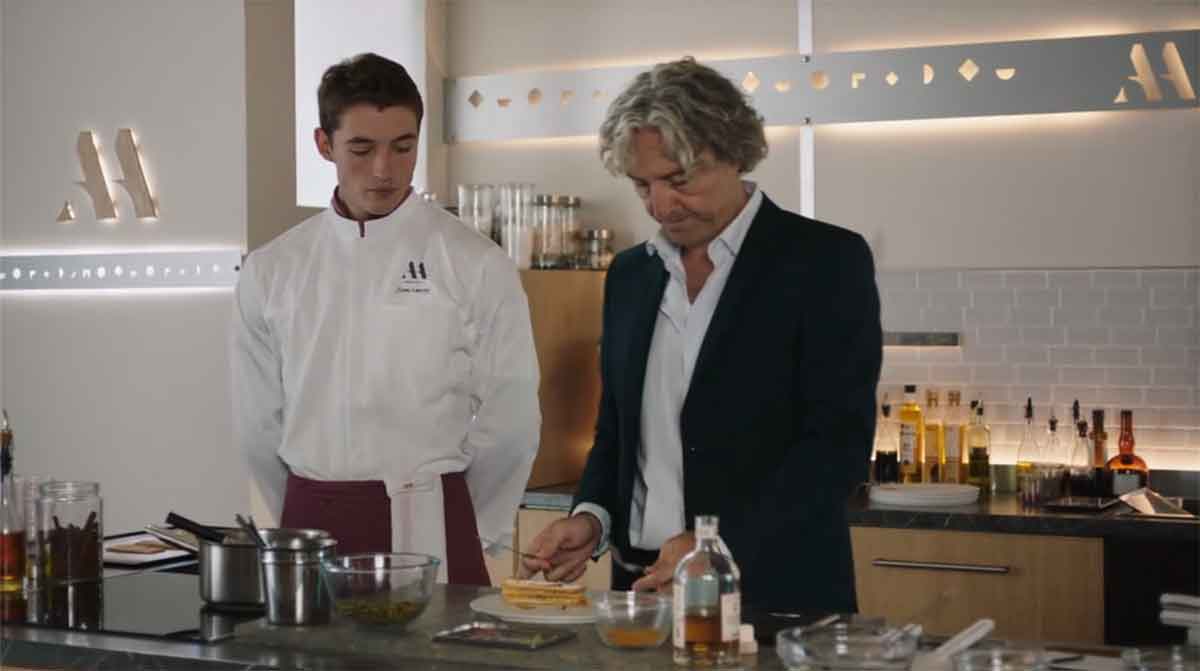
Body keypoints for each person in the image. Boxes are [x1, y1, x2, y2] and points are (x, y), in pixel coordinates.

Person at [519, 57, 882, 613]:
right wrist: (592, 517)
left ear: (735, 153)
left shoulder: (824, 262)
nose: (661, 206)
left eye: (679, 180)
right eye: (642, 185)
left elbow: (837, 448)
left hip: (773, 596)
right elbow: (616, 431)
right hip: (642, 593)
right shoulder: (630, 275)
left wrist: (716, 543)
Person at [230, 53, 540, 586]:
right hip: (311, 525)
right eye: (361, 148)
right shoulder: (270, 270)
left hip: (433, 523)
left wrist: (467, 521)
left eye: (402, 147)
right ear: (323, 144)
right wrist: (297, 515)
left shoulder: (475, 262)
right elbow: (257, 426)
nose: (384, 169)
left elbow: (512, 419)